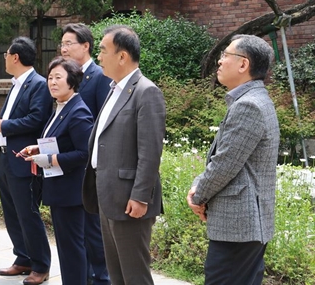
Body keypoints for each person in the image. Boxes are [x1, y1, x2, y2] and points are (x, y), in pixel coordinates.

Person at [187, 35, 279, 285]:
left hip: (238, 228)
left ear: (243, 64)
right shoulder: (254, 101)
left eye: (226, 55)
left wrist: (197, 195)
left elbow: (225, 164)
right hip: (244, 226)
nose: (220, 61)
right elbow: (225, 159)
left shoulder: (248, 105)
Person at [81, 25, 165, 285]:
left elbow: (150, 152)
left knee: (134, 275)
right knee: (116, 274)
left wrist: (140, 196)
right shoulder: (114, 89)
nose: (99, 58)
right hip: (108, 196)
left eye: (103, 51)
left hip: (130, 200)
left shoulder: (146, 92)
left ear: (122, 56)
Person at [18, 56, 92, 285]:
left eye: (58, 77)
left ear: (72, 81)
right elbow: (59, 140)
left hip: (70, 192)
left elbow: (84, 154)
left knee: (72, 248)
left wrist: (50, 159)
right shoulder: (61, 107)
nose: (52, 82)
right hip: (59, 189)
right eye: (50, 77)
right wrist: (36, 148)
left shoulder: (78, 111)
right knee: (66, 246)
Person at [0, 36, 53, 285]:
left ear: (15, 57)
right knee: (12, 213)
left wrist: (4, 125)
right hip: (5, 158)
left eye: (6, 54)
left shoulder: (38, 84)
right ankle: (23, 258)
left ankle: (41, 265)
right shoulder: (16, 84)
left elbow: (36, 119)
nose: (4, 58)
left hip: (24, 160)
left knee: (28, 213)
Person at [60, 23, 111, 285]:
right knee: (77, 235)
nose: (63, 48)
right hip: (69, 168)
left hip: (90, 167)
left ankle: (101, 279)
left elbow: (104, 122)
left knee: (93, 233)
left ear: (86, 46)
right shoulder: (67, 75)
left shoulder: (100, 77)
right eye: (62, 43)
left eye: (69, 43)